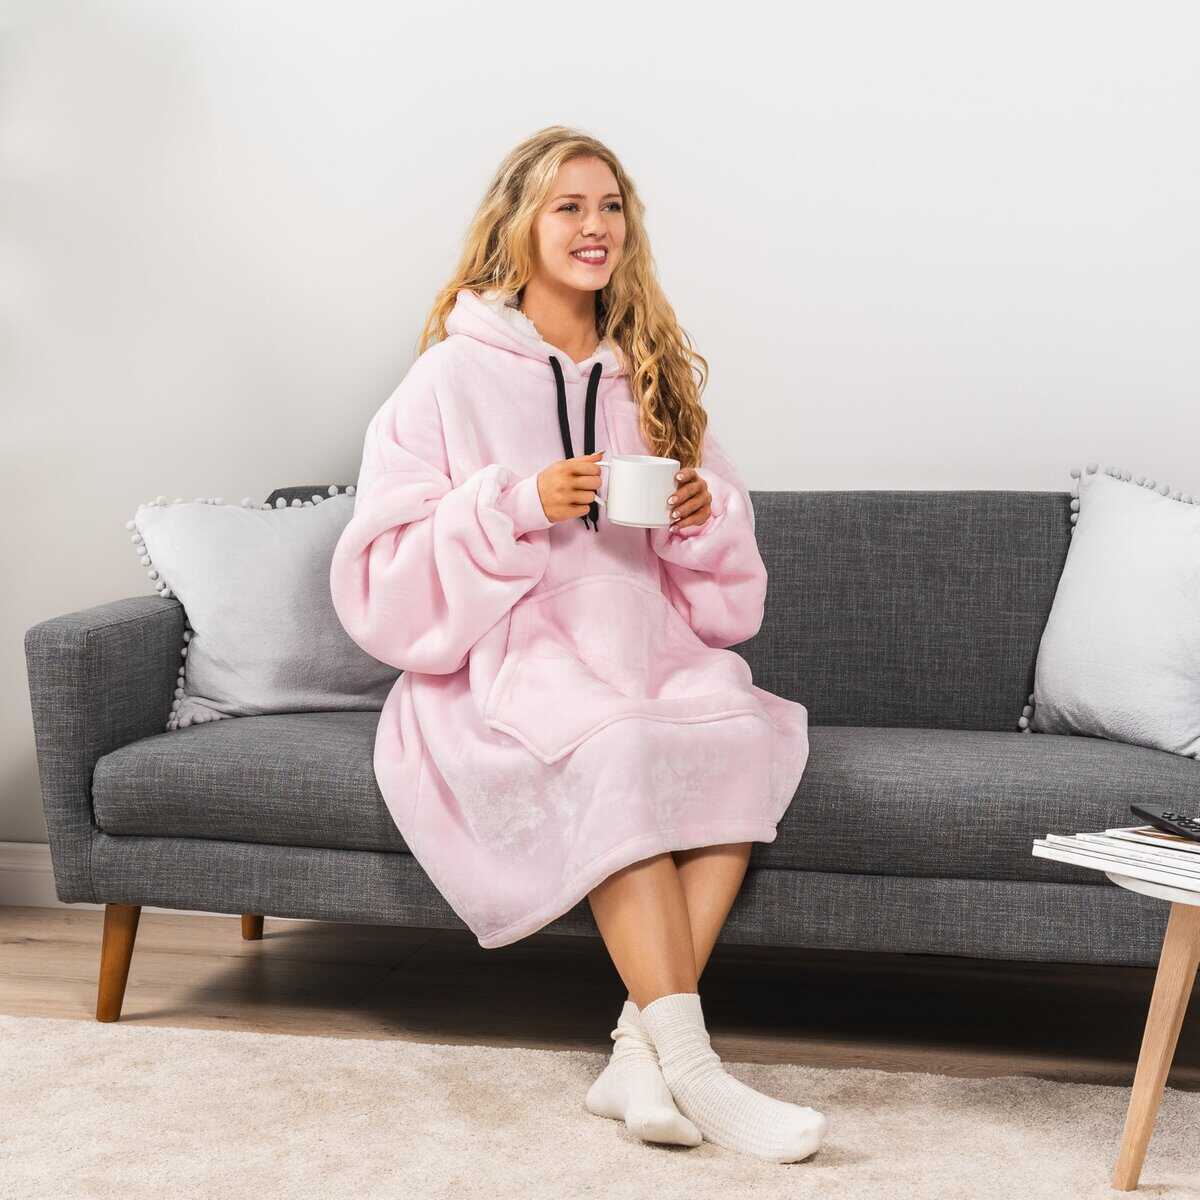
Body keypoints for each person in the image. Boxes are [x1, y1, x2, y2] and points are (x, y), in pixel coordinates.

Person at [328, 125, 826, 1164]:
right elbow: (378, 571)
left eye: (611, 207)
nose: (596, 227)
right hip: (513, 662)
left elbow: (726, 602)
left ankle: (640, 1055)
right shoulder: (447, 379)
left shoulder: (651, 377)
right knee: (621, 744)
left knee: (736, 732)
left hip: (645, 648)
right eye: (569, 206)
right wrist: (516, 504)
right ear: (519, 225)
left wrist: (700, 514)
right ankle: (698, 1070)